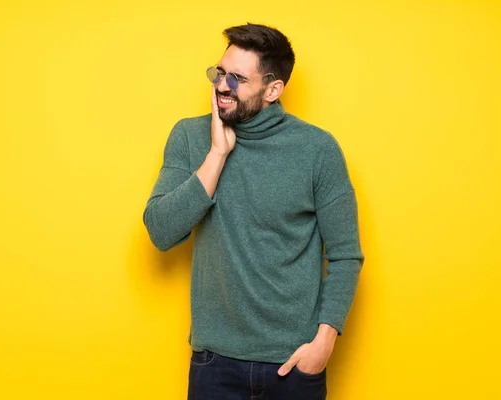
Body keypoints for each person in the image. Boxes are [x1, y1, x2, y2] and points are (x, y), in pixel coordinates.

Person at [143, 23, 364, 400]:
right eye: (220, 72)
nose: (222, 85)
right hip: (215, 363)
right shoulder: (189, 137)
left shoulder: (318, 150)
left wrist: (323, 343)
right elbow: (161, 232)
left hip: (294, 364)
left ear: (273, 90)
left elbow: (345, 254)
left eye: (238, 79)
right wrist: (216, 156)